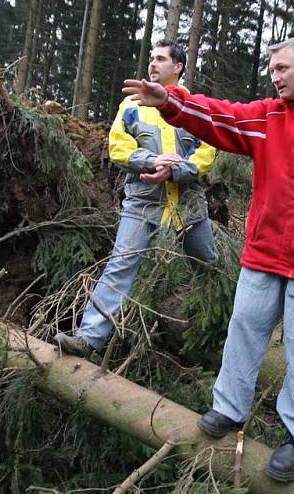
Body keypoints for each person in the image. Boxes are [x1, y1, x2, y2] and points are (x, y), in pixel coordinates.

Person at [122, 38, 294, 482]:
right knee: (244, 333)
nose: (274, 76)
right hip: (265, 253)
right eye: (271, 69)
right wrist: (171, 102)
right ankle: (228, 409)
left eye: (282, 68)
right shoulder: (268, 116)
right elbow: (219, 116)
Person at [55, 41, 218, 357]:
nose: (152, 64)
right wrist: (152, 161)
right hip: (143, 204)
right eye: (151, 59)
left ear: (178, 67)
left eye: (160, 59)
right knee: (121, 265)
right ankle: (89, 339)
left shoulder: (195, 105)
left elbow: (209, 149)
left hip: (189, 207)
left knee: (207, 266)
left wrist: (176, 170)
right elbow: (118, 147)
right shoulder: (131, 104)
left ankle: (216, 330)